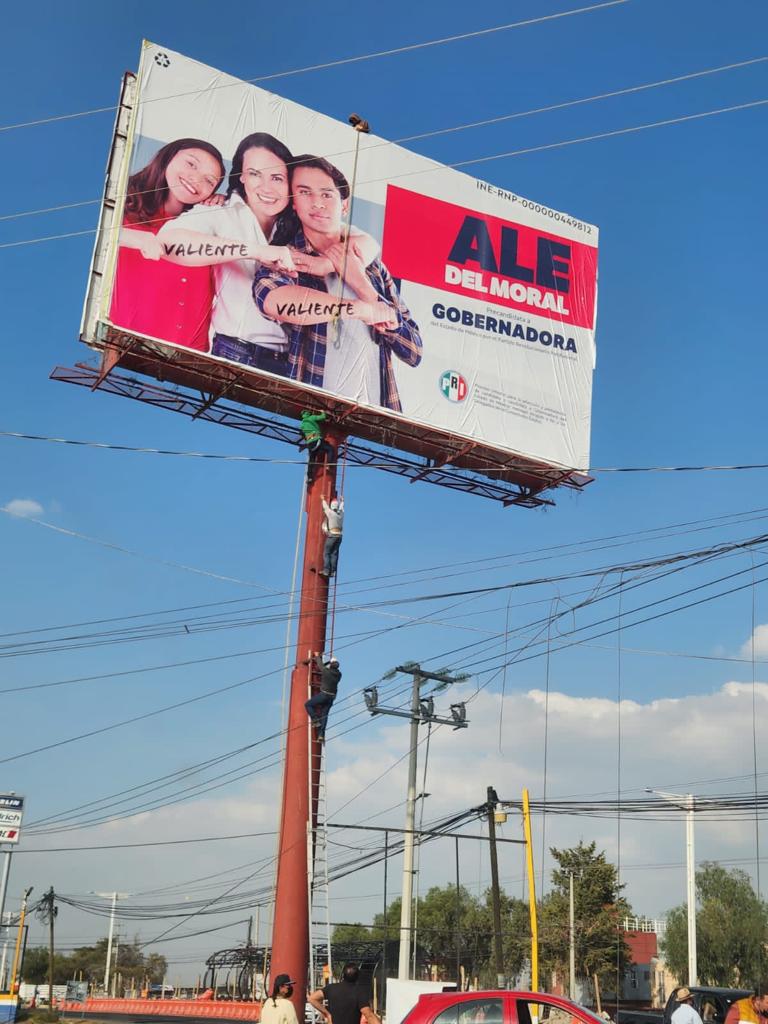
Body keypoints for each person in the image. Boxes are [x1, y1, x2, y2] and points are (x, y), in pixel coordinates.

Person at [158, 134, 379, 372]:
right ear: (241, 175)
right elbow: (168, 244)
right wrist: (256, 251)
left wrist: (326, 264)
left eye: (277, 178)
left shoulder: (299, 218)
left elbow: (368, 242)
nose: (266, 187)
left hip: (296, 359)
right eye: (254, 174)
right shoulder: (221, 213)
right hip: (237, 352)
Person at [254, 155, 422, 412]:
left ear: (344, 205)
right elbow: (272, 301)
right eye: (304, 192)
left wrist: (361, 284)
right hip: (315, 409)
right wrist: (358, 308)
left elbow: (413, 351)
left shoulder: (372, 266)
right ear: (294, 203)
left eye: (326, 194)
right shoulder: (288, 256)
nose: (317, 203)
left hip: (375, 412)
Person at [109, 139, 226, 351]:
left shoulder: (207, 224)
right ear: (169, 157)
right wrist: (140, 239)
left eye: (209, 181)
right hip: (126, 344)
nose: (197, 180)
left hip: (188, 358)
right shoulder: (122, 203)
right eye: (191, 164)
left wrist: (224, 209)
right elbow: (96, 232)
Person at [308, 962, 381, 1024]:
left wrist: (327, 1014)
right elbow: (369, 1015)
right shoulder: (359, 992)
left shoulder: (331, 988)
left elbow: (312, 999)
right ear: (357, 977)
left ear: (343, 975)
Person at [304, 654, 341, 743]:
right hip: (331, 698)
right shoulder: (339, 675)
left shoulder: (326, 671)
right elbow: (327, 667)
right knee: (324, 715)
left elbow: (320, 665)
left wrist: (317, 657)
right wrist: (329, 662)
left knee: (308, 704)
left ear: (331, 665)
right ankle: (321, 735)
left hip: (323, 695)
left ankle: (315, 720)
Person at [299, 409, 332, 483]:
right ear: (309, 413)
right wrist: (323, 412)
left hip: (310, 443)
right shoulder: (312, 417)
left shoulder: (302, 424)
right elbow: (323, 417)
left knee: (311, 460)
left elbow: (301, 433)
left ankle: (310, 477)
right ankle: (329, 465)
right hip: (317, 440)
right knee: (329, 449)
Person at [320, 495, 344, 578]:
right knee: (334, 553)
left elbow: (325, 508)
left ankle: (326, 570)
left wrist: (323, 500)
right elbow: (341, 509)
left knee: (327, 552)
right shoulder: (340, 515)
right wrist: (342, 501)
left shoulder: (331, 513)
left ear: (332, 506)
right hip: (339, 536)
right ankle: (333, 572)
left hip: (332, 535)